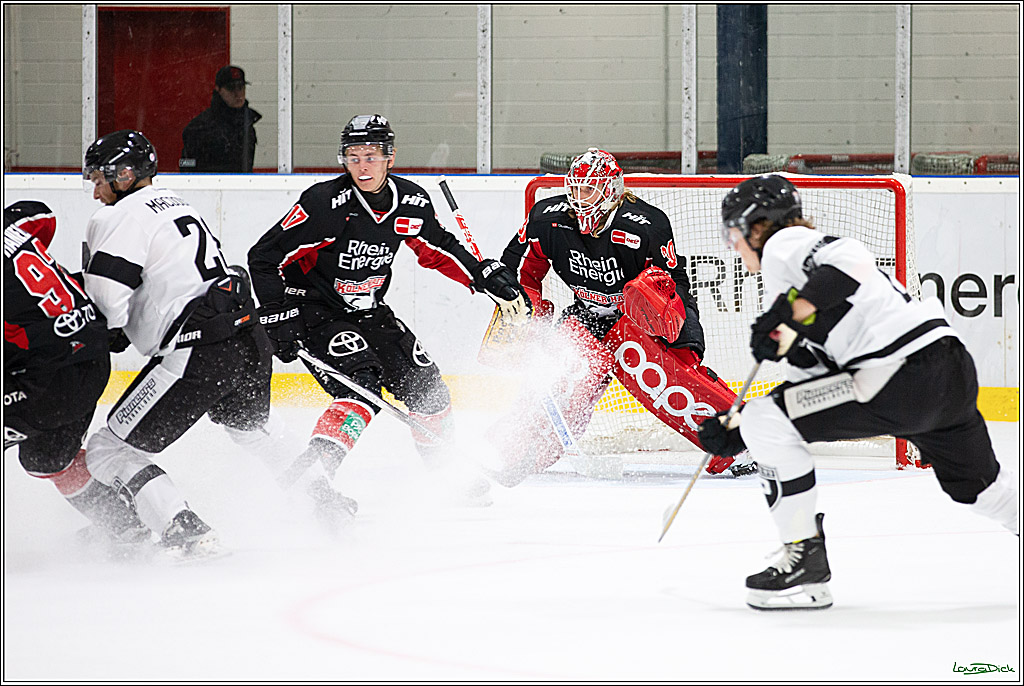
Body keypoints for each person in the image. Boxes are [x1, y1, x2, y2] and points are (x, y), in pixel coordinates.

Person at [698, 174, 1019, 611]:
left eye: (733, 233)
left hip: (898, 375)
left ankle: (804, 566)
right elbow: (810, 384)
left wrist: (790, 316)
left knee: (764, 419)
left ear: (757, 226)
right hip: (947, 371)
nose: (733, 244)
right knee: (982, 490)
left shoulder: (783, 244)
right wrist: (736, 428)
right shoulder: (796, 273)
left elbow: (848, 264)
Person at [80, 129, 349, 558]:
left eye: (99, 179)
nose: (95, 192)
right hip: (248, 336)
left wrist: (100, 329)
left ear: (125, 175)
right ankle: (323, 499)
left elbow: (109, 307)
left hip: (199, 350)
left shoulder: (116, 218)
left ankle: (184, 528)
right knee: (254, 430)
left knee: (108, 449)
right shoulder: (175, 203)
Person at [247, 113, 528, 508]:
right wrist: (278, 314)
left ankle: (446, 475)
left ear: (390, 157)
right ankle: (311, 484)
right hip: (315, 310)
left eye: (372, 155)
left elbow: (438, 248)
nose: (363, 165)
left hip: (370, 310)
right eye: (354, 156)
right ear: (343, 159)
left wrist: (483, 277)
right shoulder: (325, 204)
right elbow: (264, 255)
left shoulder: (410, 202)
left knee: (429, 391)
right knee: (360, 384)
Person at [487, 148, 756, 486]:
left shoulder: (646, 225)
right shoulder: (547, 219)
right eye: (575, 189)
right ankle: (517, 446)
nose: (580, 199)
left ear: (612, 189)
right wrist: (526, 309)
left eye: (589, 190)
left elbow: (669, 286)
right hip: (587, 314)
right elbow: (522, 272)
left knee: (668, 380)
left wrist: (670, 329)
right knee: (566, 376)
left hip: (645, 317)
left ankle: (744, 444)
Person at [4, 200, 148, 551]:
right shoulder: (14, 232)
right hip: (91, 361)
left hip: (51, 380)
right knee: (45, 459)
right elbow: (42, 213)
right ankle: (127, 525)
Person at [179, 65, 261, 173]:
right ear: (219, 90)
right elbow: (187, 167)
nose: (238, 94)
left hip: (241, 187)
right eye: (231, 88)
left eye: (240, 87)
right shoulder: (201, 127)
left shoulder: (247, 123)